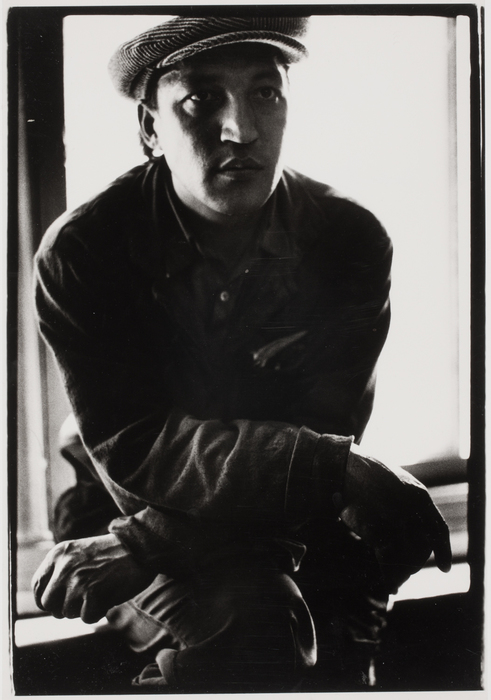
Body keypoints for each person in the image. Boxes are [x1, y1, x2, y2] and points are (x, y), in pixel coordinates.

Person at [32, 15, 451, 693]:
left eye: (265, 93)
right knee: (255, 627)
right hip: (126, 506)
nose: (241, 130)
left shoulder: (347, 238)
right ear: (149, 128)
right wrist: (142, 540)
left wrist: (329, 470)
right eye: (201, 99)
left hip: (298, 518)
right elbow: (138, 447)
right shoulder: (85, 251)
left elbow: (329, 426)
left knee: (341, 655)